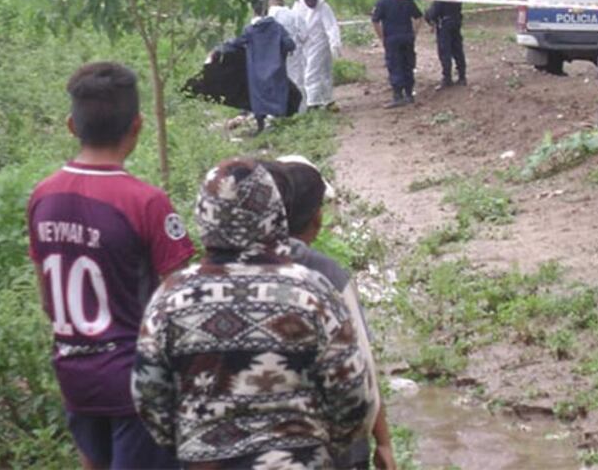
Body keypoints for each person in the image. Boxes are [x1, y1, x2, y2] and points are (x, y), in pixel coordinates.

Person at [133, 158, 376, 468]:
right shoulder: (312, 292)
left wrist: (191, 446)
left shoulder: (171, 298)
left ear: (204, 215)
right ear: (273, 214)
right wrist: (329, 447)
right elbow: (352, 393)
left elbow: (149, 395)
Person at [27, 62, 194, 469]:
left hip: (73, 376)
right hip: (135, 380)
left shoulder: (42, 197)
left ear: (71, 125)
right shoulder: (146, 202)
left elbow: (46, 297)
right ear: (137, 125)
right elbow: (177, 303)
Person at [269, 156, 398, 470]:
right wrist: (383, 441)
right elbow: (363, 364)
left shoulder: (230, 273)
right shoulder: (328, 274)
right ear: (316, 217)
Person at [213, 0, 300, 132]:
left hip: (257, 72)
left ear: (254, 12)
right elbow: (290, 44)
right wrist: (280, 52)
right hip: (277, 70)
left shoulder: (251, 30)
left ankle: (261, 126)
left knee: (259, 100)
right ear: (267, 11)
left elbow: (235, 43)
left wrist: (218, 49)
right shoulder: (277, 28)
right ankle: (279, 123)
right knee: (277, 96)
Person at [372, 0, 423, 108]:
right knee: (408, 64)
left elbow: (375, 21)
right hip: (407, 37)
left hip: (392, 38)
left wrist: (382, 38)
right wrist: (414, 33)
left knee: (395, 66)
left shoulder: (382, 2)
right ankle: (409, 94)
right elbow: (418, 17)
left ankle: (398, 96)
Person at [294, 0, 342, 110]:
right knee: (321, 73)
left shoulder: (323, 8)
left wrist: (334, 43)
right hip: (306, 45)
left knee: (312, 73)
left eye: (313, 1)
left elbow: (331, 26)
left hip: (320, 44)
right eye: (308, 1)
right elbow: (297, 23)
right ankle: (327, 100)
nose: (311, 3)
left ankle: (313, 102)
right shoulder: (300, 7)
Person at [424, 0, 466, 88]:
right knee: (457, 48)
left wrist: (429, 16)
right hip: (456, 19)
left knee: (444, 51)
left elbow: (439, 4)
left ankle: (447, 78)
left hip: (444, 22)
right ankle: (462, 76)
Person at [268, 0, 308, 111]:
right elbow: (304, 35)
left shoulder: (271, 14)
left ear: (272, 1)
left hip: (276, 53)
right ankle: (300, 110)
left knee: (277, 82)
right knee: (297, 80)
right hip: (294, 52)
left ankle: (281, 110)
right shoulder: (294, 14)